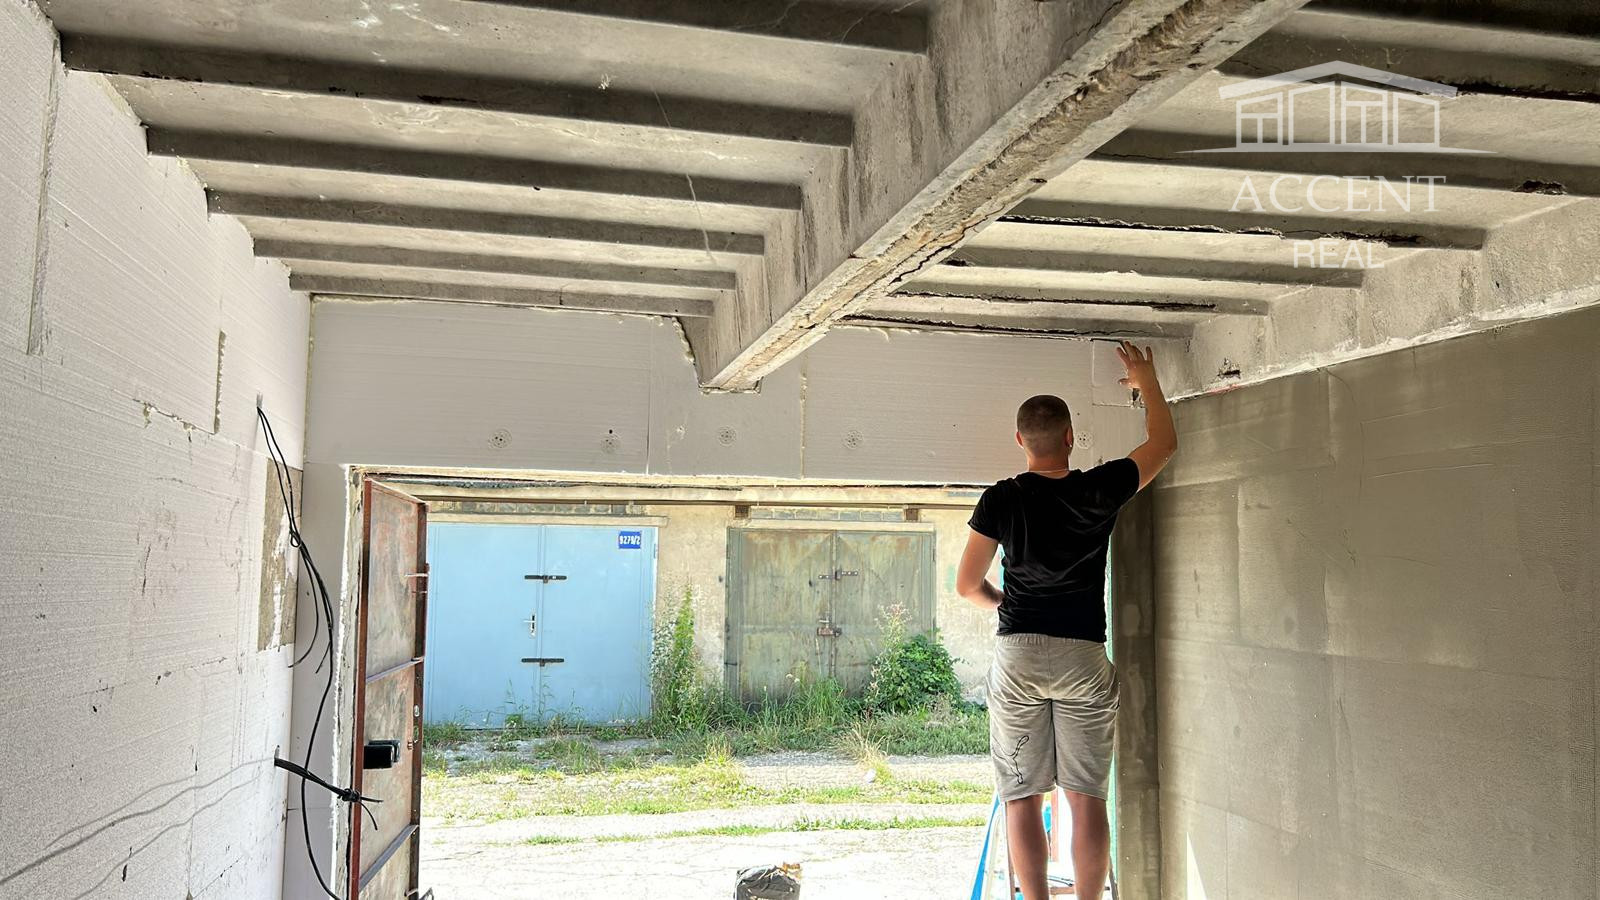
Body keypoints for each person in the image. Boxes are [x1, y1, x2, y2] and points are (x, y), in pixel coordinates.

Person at [956, 341, 1176, 900]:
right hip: (1082, 655)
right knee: (1085, 796)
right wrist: (1145, 380)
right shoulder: (1097, 489)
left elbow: (967, 586)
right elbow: (1163, 445)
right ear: (1071, 437)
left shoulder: (1000, 499)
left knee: (1022, 796)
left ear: (1020, 441)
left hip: (1020, 655)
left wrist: (1004, 603)